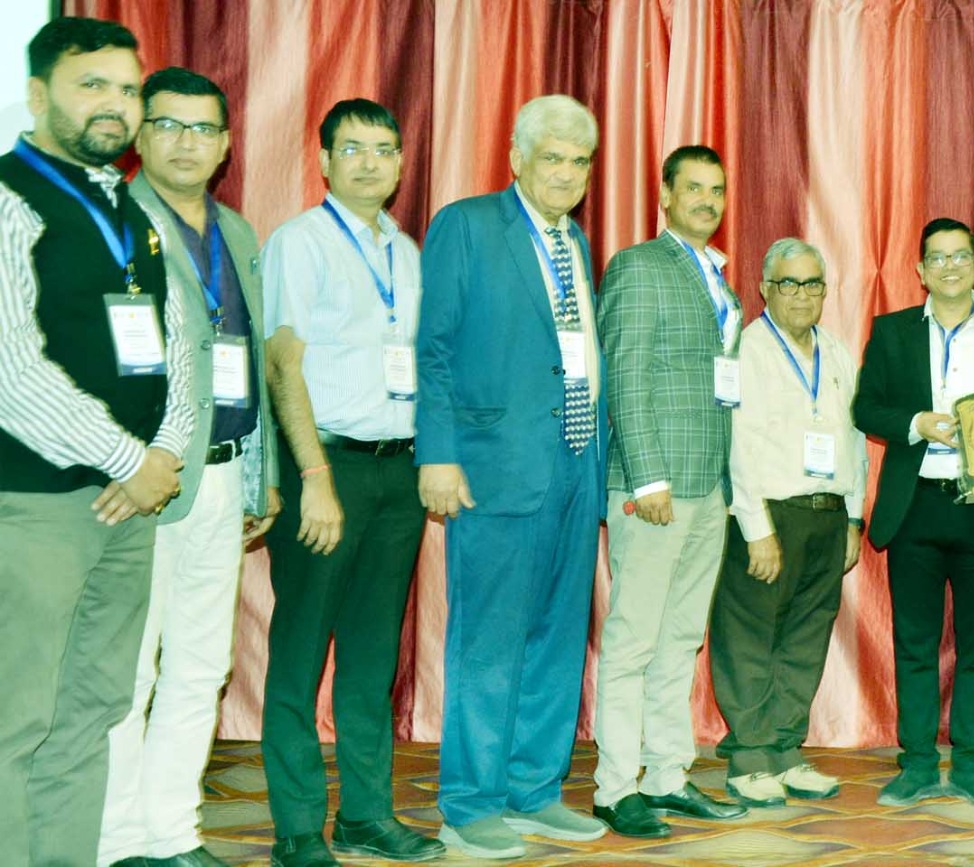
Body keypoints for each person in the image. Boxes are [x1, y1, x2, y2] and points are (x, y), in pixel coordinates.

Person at [0, 18, 195, 867]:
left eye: (126, 89)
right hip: (34, 504)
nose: (115, 104)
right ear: (37, 94)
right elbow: (11, 368)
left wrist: (166, 452)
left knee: (93, 711)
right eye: (92, 86)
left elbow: (180, 343)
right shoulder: (10, 198)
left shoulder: (130, 209)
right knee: (14, 718)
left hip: (128, 505)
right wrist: (132, 459)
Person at [415, 94, 609, 859]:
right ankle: (469, 803)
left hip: (575, 464)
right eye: (552, 157)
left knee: (558, 636)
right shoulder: (466, 226)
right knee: (489, 640)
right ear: (516, 157)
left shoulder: (575, 240)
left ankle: (534, 789)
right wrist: (437, 453)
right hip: (494, 468)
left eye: (579, 160)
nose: (566, 172)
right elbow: (433, 348)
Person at [99, 66, 280, 867]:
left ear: (227, 144)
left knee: (202, 665)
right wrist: (123, 461)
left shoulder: (237, 231)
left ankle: (172, 833)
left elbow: (252, 354)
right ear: (140, 134)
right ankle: (116, 841)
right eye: (168, 125)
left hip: (225, 474)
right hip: (144, 479)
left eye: (203, 129)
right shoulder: (112, 221)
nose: (185, 142)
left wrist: (262, 471)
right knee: (128, 667)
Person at [259, 98, 444, 866]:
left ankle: (367, 814)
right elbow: (283, 363)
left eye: (383, 149)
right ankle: (298, 828)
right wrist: (312, 475)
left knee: (371, 658)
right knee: (300, 653)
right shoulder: (299, 243)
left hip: (396, 473)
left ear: (400, 163)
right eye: (353, 148)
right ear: (325, 161)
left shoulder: (406, 251)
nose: (370, 162)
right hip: (325, 467)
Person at [853, 217, 974, 809]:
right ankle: (915, 763)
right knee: (915, 643)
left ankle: (971, 764)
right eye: (937, 257)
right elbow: (865, 408)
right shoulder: (892, 331)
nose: (950, 267)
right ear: (920, 270)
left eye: (961, 256)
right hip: (915, 507)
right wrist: (916, 423)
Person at [592, 144, 747, 838]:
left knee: (681, 636)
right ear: (665, 194)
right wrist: (646, 475)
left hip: (707, 485)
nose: (707, 201)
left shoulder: (718, 277)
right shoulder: (639, 265)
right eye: (694, 188)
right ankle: (614, 786)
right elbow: (625, 373)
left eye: (717, 190)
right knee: (633, 638)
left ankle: (666, 774)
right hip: (654, 486)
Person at [709, 238, 865, 807]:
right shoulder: (745, 349)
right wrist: (756, 528)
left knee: (805, 637)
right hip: (769, 516)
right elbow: (735, 442)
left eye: (813, 284)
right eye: (789, 283)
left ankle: (783, 749)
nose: (802, 295)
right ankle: (749, 756)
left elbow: (854, 440)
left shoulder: (837, 351)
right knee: (749, 637)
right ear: (765, 289)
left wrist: (853, 517)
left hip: (827, 516)